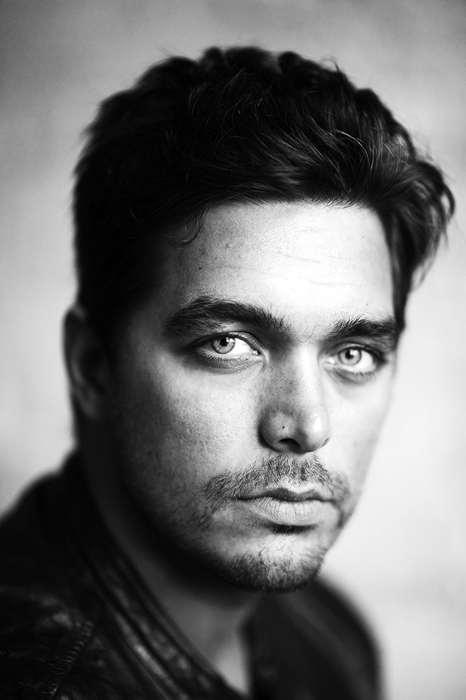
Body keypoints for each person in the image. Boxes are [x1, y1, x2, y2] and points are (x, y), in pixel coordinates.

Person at [0, 46, 453, 699]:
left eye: (353, 353)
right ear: (93, 366)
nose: (307, 426)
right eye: (229, 343)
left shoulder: (327, 637)